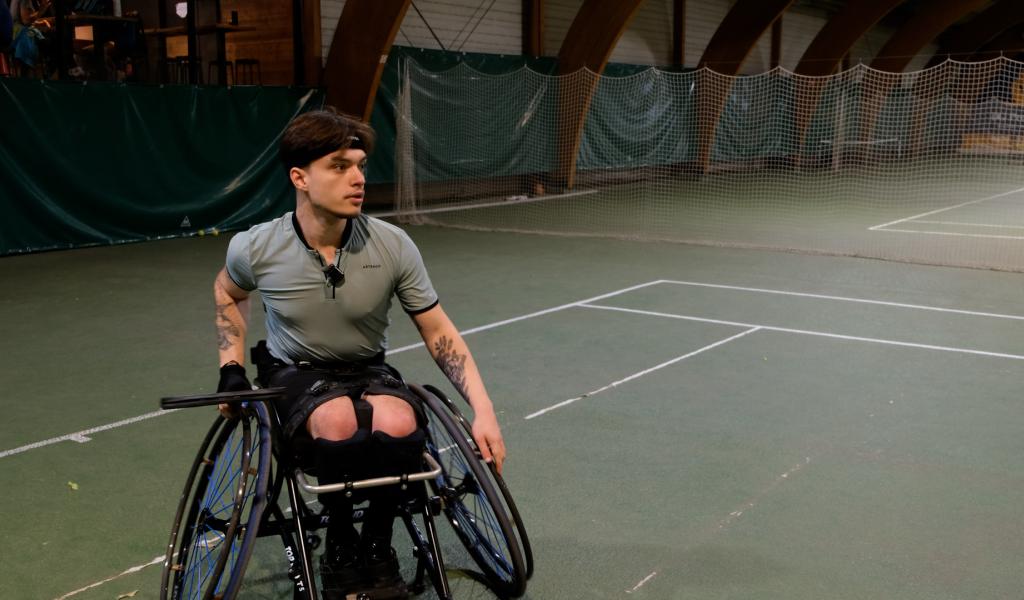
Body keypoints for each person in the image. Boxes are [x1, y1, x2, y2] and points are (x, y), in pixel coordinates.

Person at [213, 108, 506, 599]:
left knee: (397, 419)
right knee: (336, 421)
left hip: (368, 368)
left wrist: (484, 409)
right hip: (295, 372)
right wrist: (231, 368)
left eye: (361, 165)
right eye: (339, 166)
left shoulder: (393, 244)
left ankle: (376, 545)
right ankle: (341, 545)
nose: (357, 179)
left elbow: (438, 331)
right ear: (300, 177)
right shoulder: (257, 247)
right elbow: (227, 293)